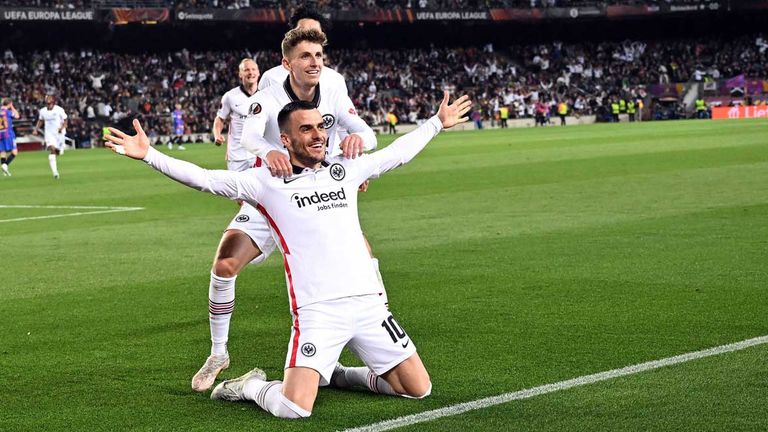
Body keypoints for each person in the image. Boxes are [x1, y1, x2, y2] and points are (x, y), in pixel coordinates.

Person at [104, 91, 472, 419]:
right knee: (294, 408)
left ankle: (340, 374)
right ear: (285, 139)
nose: (319, 136)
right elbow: (204, 178)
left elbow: (396, 154)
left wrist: (437, 123)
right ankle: (247, 386)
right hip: (318, 312)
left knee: (418, 389)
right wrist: (149, 154)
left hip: (370, 307)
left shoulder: (345, 170)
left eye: (320, 127)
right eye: (307, 130)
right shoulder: (265, 183)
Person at [190, 27, 379, 393]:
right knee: (225, 264)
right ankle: (218, 353)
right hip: (273, 193)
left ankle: (374, 325)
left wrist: (356, 145)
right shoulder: (270, 90)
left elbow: (366, 132)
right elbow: (247, 136)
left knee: (363, 256)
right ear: (287, 61)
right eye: (306, 55)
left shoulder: (335, 85)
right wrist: (268, 151)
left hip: (319, 195)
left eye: (319, 54)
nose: (314, 62)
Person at [212, 58, 261, 171]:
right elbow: (220, 118)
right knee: (237, 189)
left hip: (259, 154)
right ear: (240, 74)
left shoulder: (266, 95)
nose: (251, 73)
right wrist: (217, 134)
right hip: (237, 157)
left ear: (258, 73)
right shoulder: (230, 96)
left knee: (260, 188)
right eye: (246, 70)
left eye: (253, 69)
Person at [35, 95, 67, 179]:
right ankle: (55, 173)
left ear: (53, 101)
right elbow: (41, 120)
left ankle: (59, 150)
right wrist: (36, 129)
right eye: (47, 99)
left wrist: (62, 128)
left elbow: (65, 120)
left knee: (57, 153)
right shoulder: (42, 111)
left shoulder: (59, 109)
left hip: (59, 134)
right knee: (52, 150)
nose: (48, 100)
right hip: (49, 134)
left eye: (49, 98)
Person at [0, 98, 20, 176]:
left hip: (0, 133)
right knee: (14, 152)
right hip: (8, 133)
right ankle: (5, 165)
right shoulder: (8, 112)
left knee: (2, 151)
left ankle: (4, 171)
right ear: (10, 103)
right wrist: (12, 107)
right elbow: (17, 116)